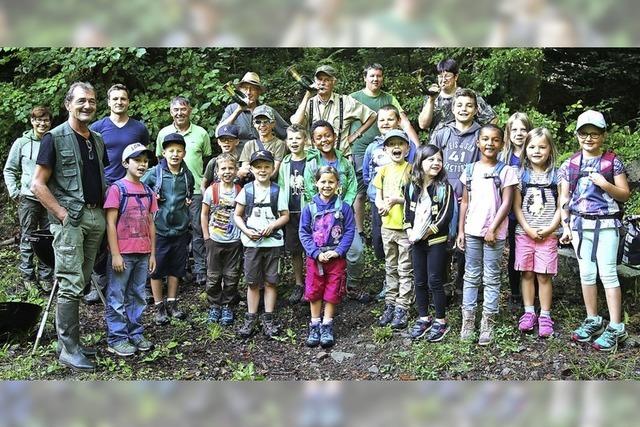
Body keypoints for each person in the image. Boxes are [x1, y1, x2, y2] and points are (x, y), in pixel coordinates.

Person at [31, 82, 108, 372]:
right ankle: (69, 349)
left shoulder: (96, 139)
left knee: (82, 280)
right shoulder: (54, 138)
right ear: (68, 105)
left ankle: (67, 343)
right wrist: (62, 214)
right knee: (69, 281)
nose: (87, 105)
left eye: (91, 100)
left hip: (95, 218)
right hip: (70, 221)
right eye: (81, 101)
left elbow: (98, 177)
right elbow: (37, 184)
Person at [559, 110, 630, 352]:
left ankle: (616, 326)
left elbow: (624, 194)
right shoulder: (570, 164)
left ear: (603, 135)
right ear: (577, 135)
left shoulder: (612, 162)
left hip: (607, 224)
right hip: (580, 225)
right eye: (584, 133)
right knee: (586, 273)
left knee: (608, 273)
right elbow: (564, 197)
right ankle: (593, 319)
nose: (589, 138)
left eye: (594, 134)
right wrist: (565, 225)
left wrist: (605, 184)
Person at [87, 83, 150, 304]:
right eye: (115, 99)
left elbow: (143, 157)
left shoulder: (138, 128)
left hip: (132, 188)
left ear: (128, 101)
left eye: (123, 98)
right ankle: (100, 280)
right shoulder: (97, 126)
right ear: (108, 101)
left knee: (133, 229)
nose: (119, 102)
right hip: (107, 187)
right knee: (103, 232)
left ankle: (137, 279)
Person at [457, 124, 518, 346]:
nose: (489, 143)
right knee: (471, 276)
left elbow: (507, 203)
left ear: (502, 144)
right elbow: (465, 201)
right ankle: (468, 322)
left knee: (491, 277)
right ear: (478, 142)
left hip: (495, 233)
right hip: (472, 230)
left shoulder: (506, 171)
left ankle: (487, 323)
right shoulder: (470, 170)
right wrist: (461, 230)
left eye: (494, 140)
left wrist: (492, 228)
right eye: (485, 139)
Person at [349, 63, 419, 239]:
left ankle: (394, 227)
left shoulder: (389, 98)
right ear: (364, 77)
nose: (375, 79)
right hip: (360, 149)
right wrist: (347, 144)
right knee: (361, 191)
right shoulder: (353, 98)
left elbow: (404, 122)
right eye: (372, 76)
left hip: (390, 147)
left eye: (379, 76)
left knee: (392, 183)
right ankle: (360, 231)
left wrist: (417, 146)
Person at [303, 120, 368, 303]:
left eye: (327, 135)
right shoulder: (312, 164)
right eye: (319, 137)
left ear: (335, 136)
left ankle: (352, 286)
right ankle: (320, 290)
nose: (324, 140)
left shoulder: (345, 162)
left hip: (343, 217)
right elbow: (310, 192)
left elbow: (353, 186)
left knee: (356, 252)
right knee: (319, 255)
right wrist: (326, 211)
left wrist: (341, 208)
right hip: (320, 221)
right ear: (313, 141)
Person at [103, 143, 157, 356]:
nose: (142, 165)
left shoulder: (148, 191)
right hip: (123, 253)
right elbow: (110, 223)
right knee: (117, 295)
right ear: (126, 163)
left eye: (145, 161)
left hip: (143, 252)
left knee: (138, 295)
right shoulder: (117, 189)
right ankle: (116, 337)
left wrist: (153, 253)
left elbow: (152, 223)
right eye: (137, 160)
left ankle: (135, 332)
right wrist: (115, 254)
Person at [430, 88, 482, 299]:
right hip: (442, 199)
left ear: (476, 109)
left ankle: (463, 284)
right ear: (452, 108)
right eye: (459, 105)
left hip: (468, 199)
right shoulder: (442, 132)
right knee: (441, 241)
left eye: (469, 105)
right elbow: (430, 162)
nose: (464, 109)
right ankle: (442, 285)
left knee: (465, 243)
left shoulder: (481, 134)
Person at [155, 96, 211, 287]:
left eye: (183, 109)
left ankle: (200, 269)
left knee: (196, 228)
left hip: (194, 189)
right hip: (169, 191)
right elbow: (158, 163)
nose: (180, 113)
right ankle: (178, 268)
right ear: (171, 112)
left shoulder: (201, 133)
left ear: (190, 110)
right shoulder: (164, 133)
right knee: (171, 230)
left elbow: (207, 159)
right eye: (176, 110)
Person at [233, 150, 290, 339]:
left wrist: (273, 226)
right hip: (252, 243)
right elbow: (238, 215)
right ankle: (251, 316)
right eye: (258, 167)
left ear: (273, 168)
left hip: (272, 243)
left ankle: (268, 317)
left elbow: (285, 215)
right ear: (251, 168)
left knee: (271, 281)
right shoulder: (247, 190)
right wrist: (246, 230)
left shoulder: (277, 190)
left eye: (266, 166)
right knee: (252, 281)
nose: (263, 170)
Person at [299, 166, 355, 348]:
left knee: (332, 291)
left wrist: (338, 251)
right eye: (323, 181)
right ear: (316, 183)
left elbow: (349, 231)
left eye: (331, 181)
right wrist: (316, 253)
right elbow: (304, 233)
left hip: (336, 258)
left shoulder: (344, 208)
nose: (327, 185)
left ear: (338, 184)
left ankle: (327, 324)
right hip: (315, 259)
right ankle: (314, 324)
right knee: (314, 290)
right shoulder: (309, 208)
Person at [362, 105, 417, 289]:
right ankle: (390, 284)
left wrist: (397, 200)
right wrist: (378, 199)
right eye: (382, 120)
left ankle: (406, 288)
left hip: (404, 212)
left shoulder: (407, 153)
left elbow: (415, 186)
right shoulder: (373, 148)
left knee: (405, 252)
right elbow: (367, 175)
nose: (385, 123)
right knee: (380, 241)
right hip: (381, 205)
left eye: (390, 119)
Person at [512, 128, 560, 338]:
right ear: (525, 149)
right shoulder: (520, 174)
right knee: (527, 273)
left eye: (542, 147)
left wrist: (551, 228)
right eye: (532, 147)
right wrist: (528, 229)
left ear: (550, 149)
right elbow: (516, 206)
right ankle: (529, 312)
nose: (537, 151)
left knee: (544, 275)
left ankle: (546, 315)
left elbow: (561, 205)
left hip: (548, 234)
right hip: (525, 232)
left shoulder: (557, 175)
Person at [405, 144, 455, 342]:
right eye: (430, 159)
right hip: (416, 240)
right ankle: (423, 318)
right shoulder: (412, 186)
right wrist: (409, 230)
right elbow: (407, 212)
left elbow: (446, 215)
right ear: (420, 162)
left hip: (436, 240)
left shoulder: (444, 187)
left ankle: (441, 321)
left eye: (439, 160)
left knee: (435, 280)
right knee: (419, 280)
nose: (436, 163)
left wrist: (427, 232)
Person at [143, 133, 195, 325]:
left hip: (180, 229)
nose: (175, 154)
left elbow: (188, 195)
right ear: (163, 152)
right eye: (171, 151)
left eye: (179, 151)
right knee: (156, 269)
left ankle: (172, 304)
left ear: (184, 153)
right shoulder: (155, 173)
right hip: (159, 229)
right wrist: (151, 198)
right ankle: (159, 307)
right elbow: (139, 189)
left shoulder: (187, 175)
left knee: (176, 268)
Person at [3, 105, 54, 291]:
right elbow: (10, 169)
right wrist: (15, 191)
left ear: (50, 122)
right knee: (28, 236)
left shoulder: (54, 140)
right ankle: (28, 276)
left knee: (48, 237)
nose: (42, 123)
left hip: (49, 198)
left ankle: (46, 276)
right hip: (29, 198)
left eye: (46, 120)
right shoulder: (21, 143)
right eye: (38, 120)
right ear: (32, 121)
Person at [290, 64, 377, 159]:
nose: (322, 83)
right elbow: (295, 125)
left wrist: (356, 135)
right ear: (315, 81)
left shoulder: (346, 101)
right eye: (319, 79)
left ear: (334, 82)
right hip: (312, 160)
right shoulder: (308, 102)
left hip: (340, 159)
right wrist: (307, 95)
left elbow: (372, 115)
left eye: (326, 80)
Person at [373, 130, 413, 330]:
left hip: (405, 228)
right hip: (387, 226)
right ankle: (390, 303)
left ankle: (402, 306)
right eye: (391, 145)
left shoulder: (412, 170)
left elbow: (416, 199)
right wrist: (381, 204)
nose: (396, 147)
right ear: (386, 149)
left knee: (405, 267)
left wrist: (399, 200)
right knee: (391, 266)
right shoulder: (383, 171)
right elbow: (377, 196)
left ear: (407, 148)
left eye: (400, 144)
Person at [201, 153, 242, 327]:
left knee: (232, 275)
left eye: (231, 168)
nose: (227, 172)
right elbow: (204, 214)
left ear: (236, 170)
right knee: (213, 275)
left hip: (234, 240)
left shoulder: (240, 191)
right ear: (217, 171)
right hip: (215, 239)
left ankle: (228, 305)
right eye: (223, 168)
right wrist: (206, 236)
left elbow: (243, 215)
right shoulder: (212, 190)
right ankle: (214, 305)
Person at [500, 112, 533, 308]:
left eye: (523, 129)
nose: (519, 133)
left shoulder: (535, 153)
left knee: (532, 251)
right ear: (508, 132)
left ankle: (534, 290)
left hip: (534, 213)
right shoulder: (503, 157)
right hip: (511, 214)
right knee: (514, 251)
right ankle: (515, 292)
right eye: (515, 129)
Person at [217, 71, 289, 155]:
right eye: (245, 88)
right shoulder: (231, 109)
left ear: (259, 92)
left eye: (253, 89)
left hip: (263, 161)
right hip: (237, 160)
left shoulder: (267, 111)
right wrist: (238, 110)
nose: (248, 92)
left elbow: (288, 133)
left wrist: (282, 151)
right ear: (239, 90)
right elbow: (219, 132)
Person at [418, 58, 496, 133]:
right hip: (437, 144)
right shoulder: (431, 97)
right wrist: (431, 100)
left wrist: (483, 138)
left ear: (456, 77)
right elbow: (423, 125)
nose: (444, 80)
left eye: (447, 76)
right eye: (441, 76)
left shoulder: (469, 95)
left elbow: (492, 119)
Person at [277, 124, 309, 304]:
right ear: (286, 142)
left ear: (305, 140)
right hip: (291, 212)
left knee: (311, 248)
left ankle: (312, 281)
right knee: (295, 249)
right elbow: (282, 187)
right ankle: (299, 283)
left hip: (308, 212)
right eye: (291, 139)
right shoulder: (285, 163)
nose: (294, 142)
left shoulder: (312, 160)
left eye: (298, 138)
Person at [238, 105, 287, 181]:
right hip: (252, 186)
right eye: (258, 122)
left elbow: (273, 173)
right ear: (254, 124)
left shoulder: (279, 144)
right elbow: (244, 170)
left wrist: (254, 171)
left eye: (266, 122)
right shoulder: (249, 145)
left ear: (273, 123)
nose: (262, 125)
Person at [202, 124, 240, 191]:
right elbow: (204, 185)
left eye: (230, 139)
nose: (226, 142)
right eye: (223, 139)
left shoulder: (242, 162)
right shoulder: (214, 162)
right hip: (216, 199)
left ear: (237, 141)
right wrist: (207, 199)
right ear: (219, 142)